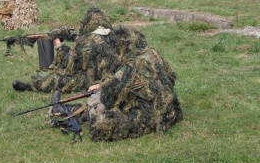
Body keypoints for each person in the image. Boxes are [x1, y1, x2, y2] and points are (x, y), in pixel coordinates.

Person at [13, 7, 183, 141]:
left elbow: (109, 96)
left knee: (99, 117)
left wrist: (100, 88)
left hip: (151, 115)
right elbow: (171, 78)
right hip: (170, 110)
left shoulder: (130, 65)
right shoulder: (151, 54)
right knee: (102, 100)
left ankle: (64, 111)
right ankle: (65, 110)